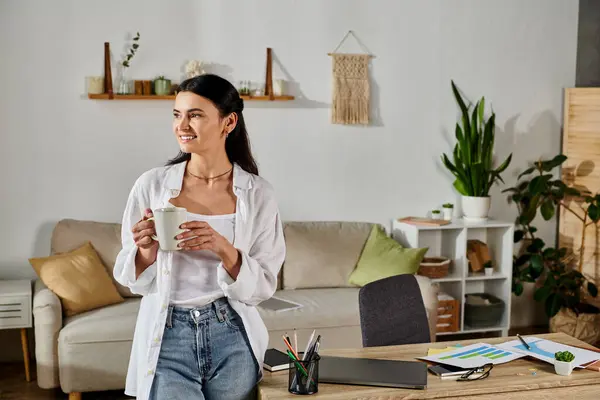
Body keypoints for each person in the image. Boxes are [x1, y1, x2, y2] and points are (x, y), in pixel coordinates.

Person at [113, 74, 286, 400]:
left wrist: (223, 247)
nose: (182, 125)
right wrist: (145, 251)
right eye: (177, 115)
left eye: (195, 115)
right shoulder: (152, 186)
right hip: (167, 335)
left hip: (231, 333)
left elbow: (263, 285)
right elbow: (132, 280)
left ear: (228, 122)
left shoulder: (258, 194)